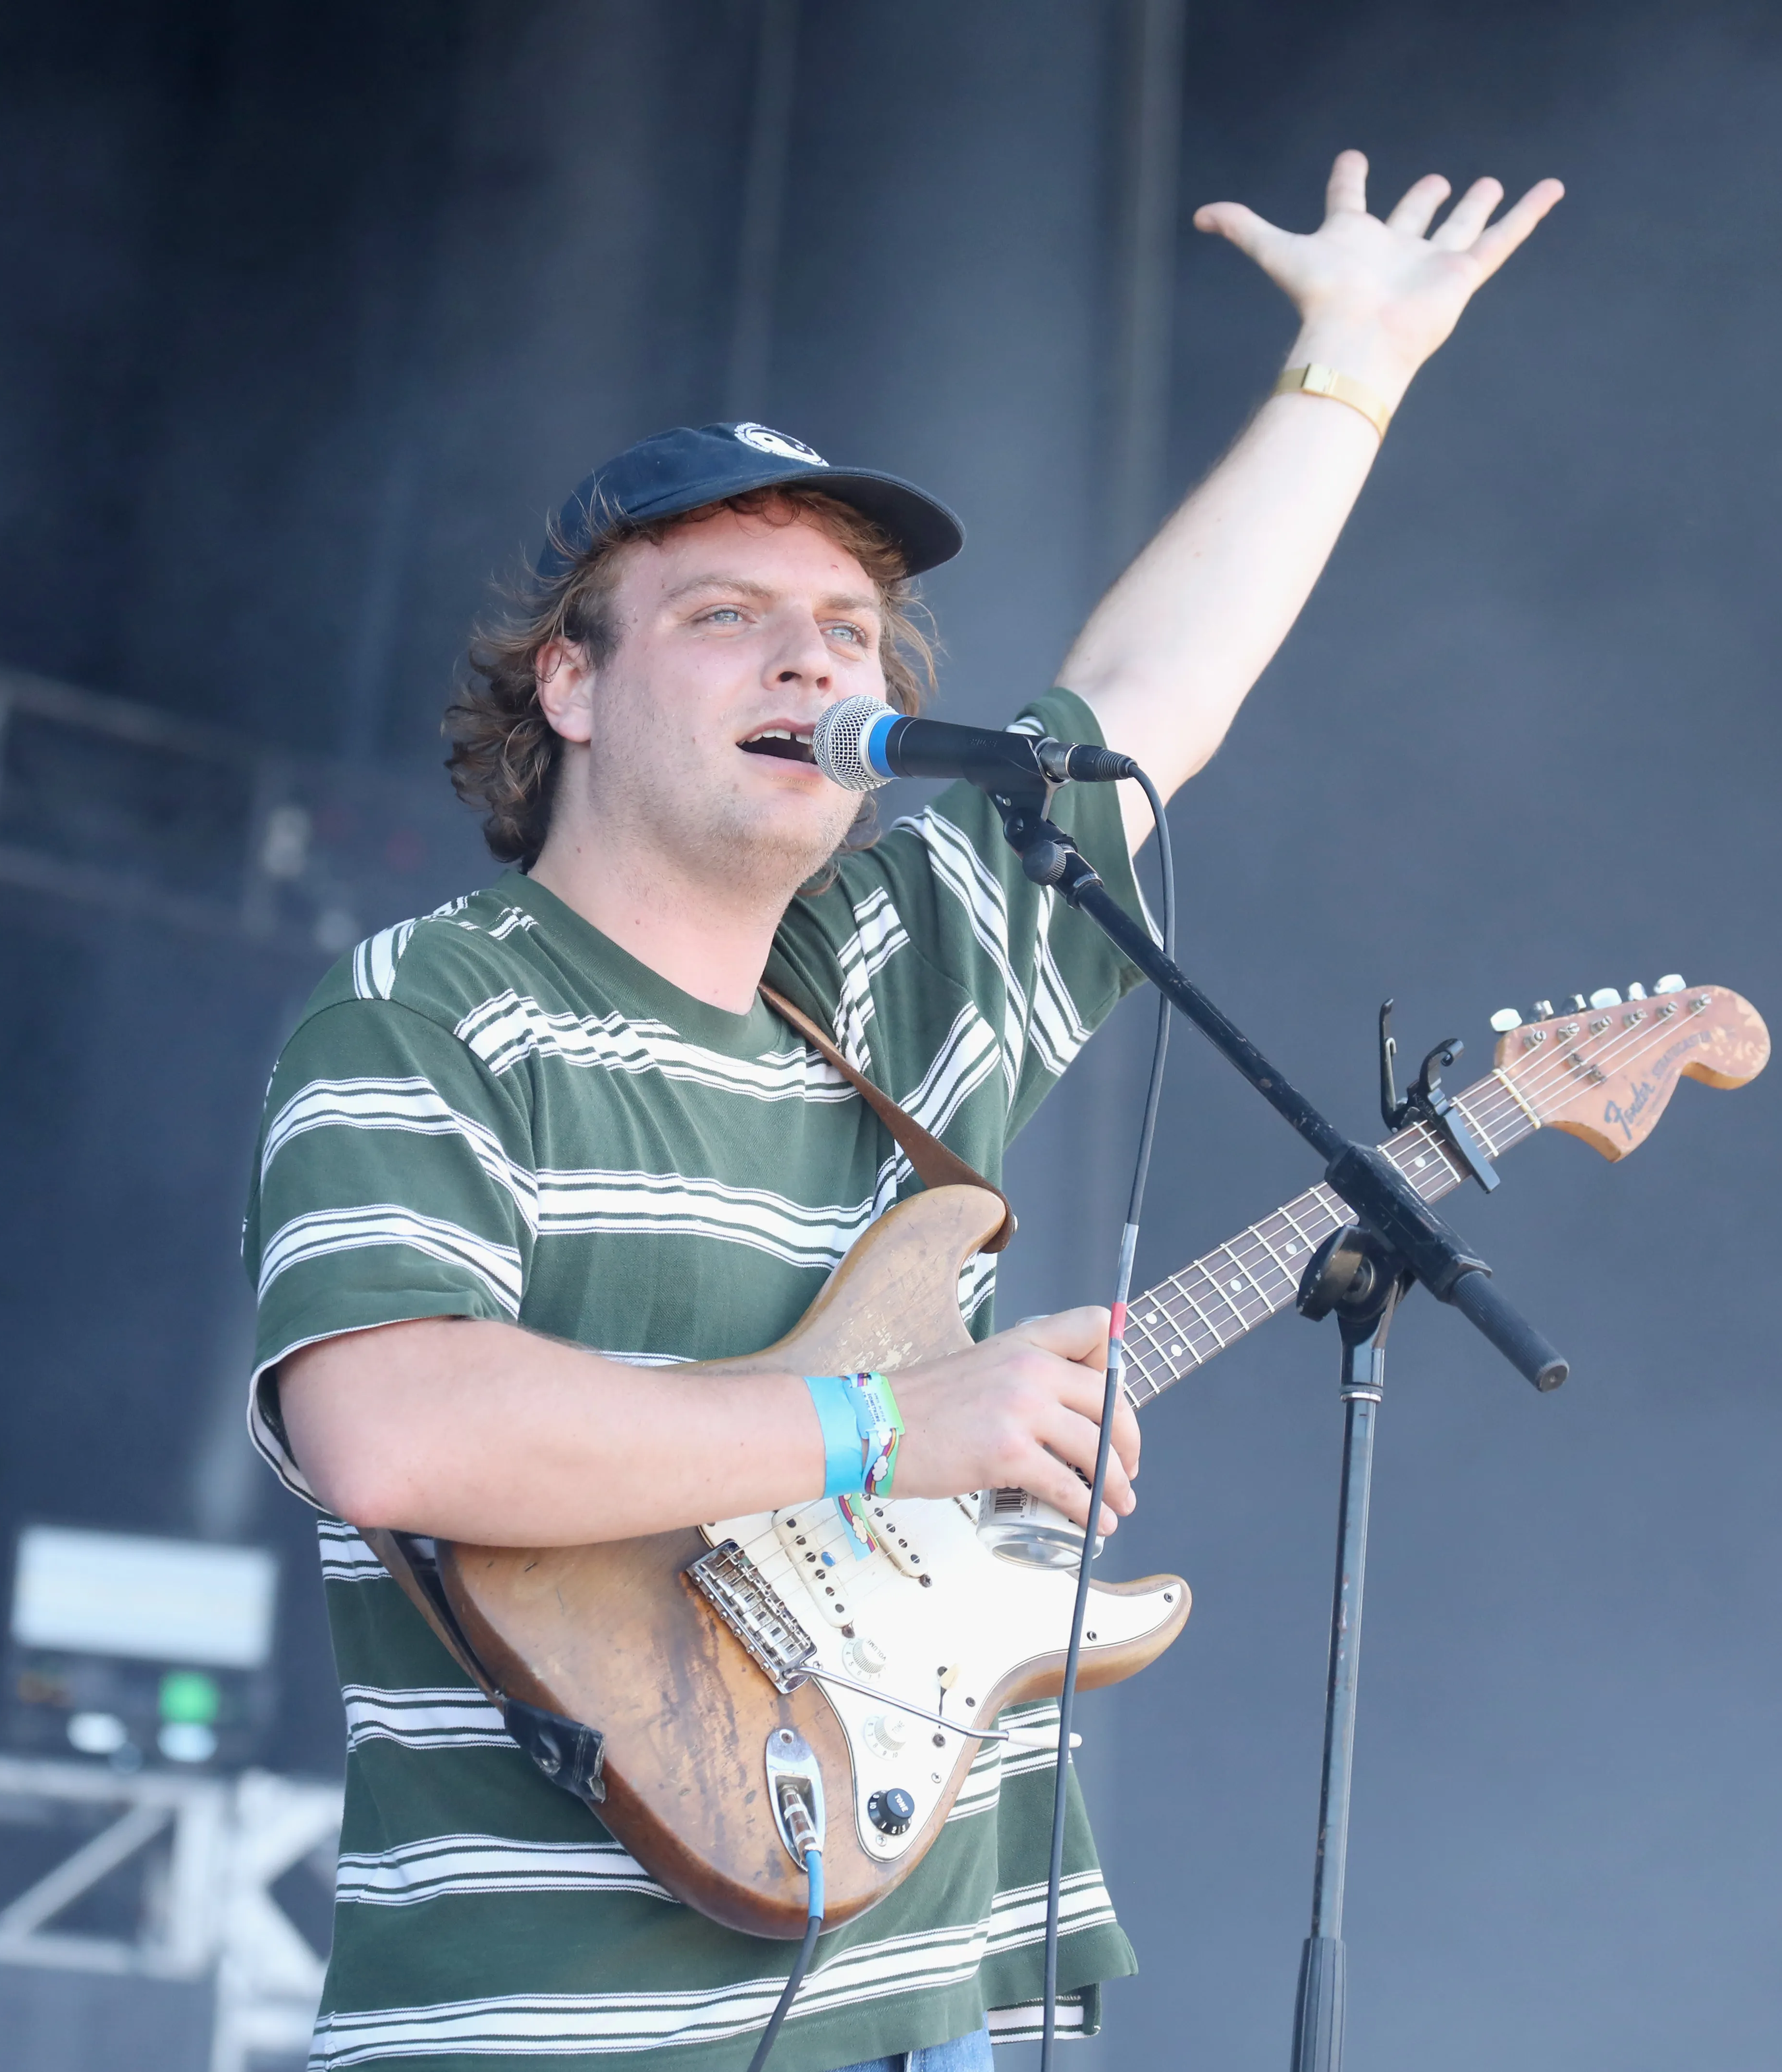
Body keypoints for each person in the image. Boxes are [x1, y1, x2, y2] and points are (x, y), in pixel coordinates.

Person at [244, 150, 1559, 2072]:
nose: (814, 655)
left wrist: (1349, 368)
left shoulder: (899, 970)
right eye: (726, 615)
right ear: (570, 687)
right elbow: (390, 1429)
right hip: (562, 2027)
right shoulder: (433, 1004)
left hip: (937, 1998)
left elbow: (1147, 691)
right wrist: (888, 1427)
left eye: (850, 628)